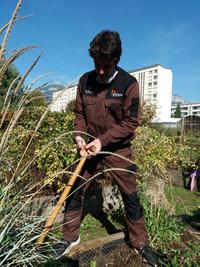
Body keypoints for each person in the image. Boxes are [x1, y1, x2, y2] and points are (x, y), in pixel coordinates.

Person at [56, 30, 162, 266]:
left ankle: (140, 243)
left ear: (116, 60)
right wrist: (79, 138)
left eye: (106, 65)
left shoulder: (129, 84)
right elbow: (80, 114)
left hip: (117, 150)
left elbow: (130, 123)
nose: (100, 71)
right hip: (88, 148)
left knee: (130, 195)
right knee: (74, 189)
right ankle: (69, 237)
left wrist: (103, 142)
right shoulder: (85, 81)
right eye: (96, 64)